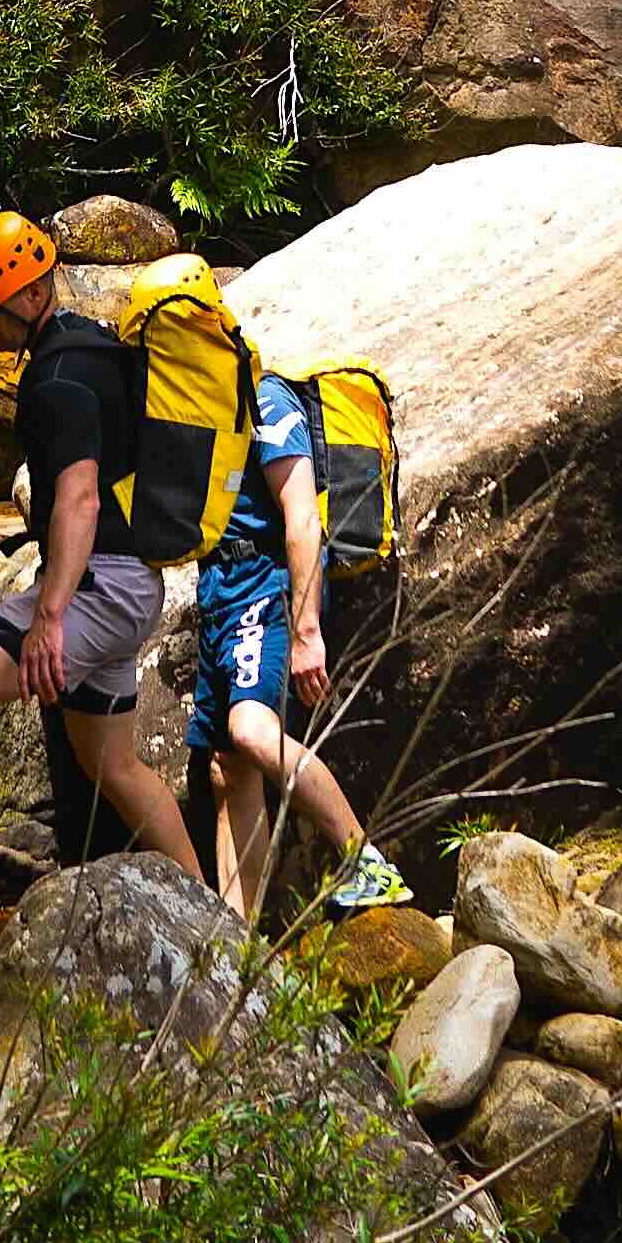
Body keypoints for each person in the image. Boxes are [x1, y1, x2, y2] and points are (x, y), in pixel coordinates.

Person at [0, 210, 207, 883]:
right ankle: (207, 907)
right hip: (132, 585)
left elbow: (80, 498)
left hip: (100, 587)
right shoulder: (95, 347)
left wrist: (49, 619)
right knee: (110, 761)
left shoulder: (57, 379)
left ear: (33, 295)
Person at [187, 366, 409, 923]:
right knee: (226, 767)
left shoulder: (262, 395)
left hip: (264, 585)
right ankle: (237, 938)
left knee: (251, 731)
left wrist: (308, 631)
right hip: (220, 590)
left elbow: (303, 518)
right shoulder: (194, 400)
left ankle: (366, 859)